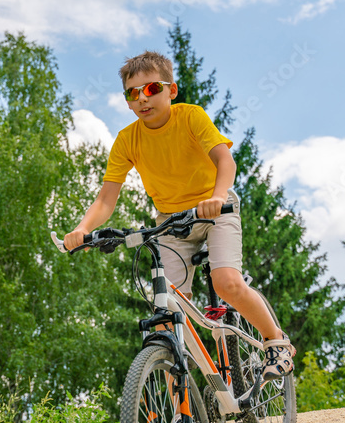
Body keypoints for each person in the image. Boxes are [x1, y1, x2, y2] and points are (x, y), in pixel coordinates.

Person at [63, 51, 294, 379]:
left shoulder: (190, 117)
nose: (143, 98)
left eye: (152, 89)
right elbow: (105, 199)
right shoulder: (127, 140)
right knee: (169, 312)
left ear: (171, 91)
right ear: (127, 101)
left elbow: (225, 162)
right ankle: (182, 420)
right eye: (133, 93)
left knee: (226, 282)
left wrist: (216, 196)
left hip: (216, 211)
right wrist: (82, 229)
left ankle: (276, 342)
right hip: (171, 224)